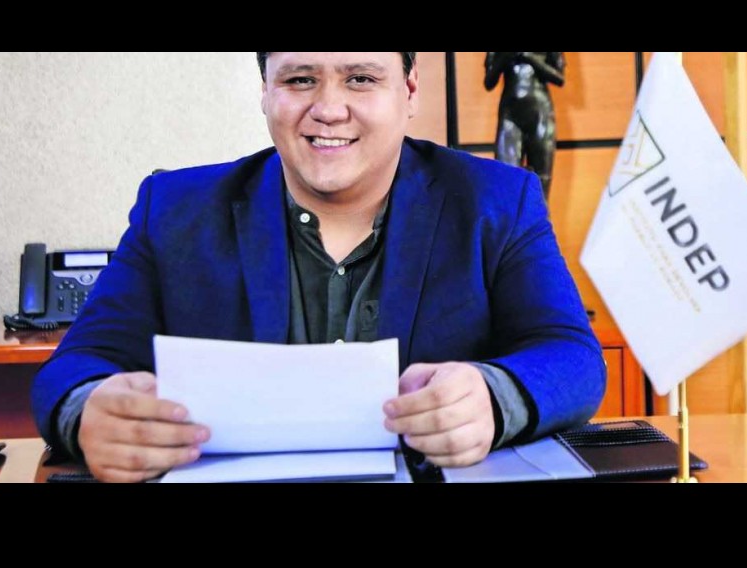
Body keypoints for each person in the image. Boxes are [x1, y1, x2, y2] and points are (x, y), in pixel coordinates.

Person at [31, 52, 604, 483]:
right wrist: (88, 410)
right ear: (265, 91)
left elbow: (572, 355)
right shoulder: (174, 210)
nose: (328, 109)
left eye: (361, 78)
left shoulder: (498, 200)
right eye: (300, 79)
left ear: (408, 89)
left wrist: (493, 397)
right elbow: (75, 364)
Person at [484, 52, 566, 199]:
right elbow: (489, 82)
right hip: (510, 116)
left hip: (540, 115)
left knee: (540, 187)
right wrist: (506, 56)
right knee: (506, 181)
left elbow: (559, 78)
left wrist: (529, 57)